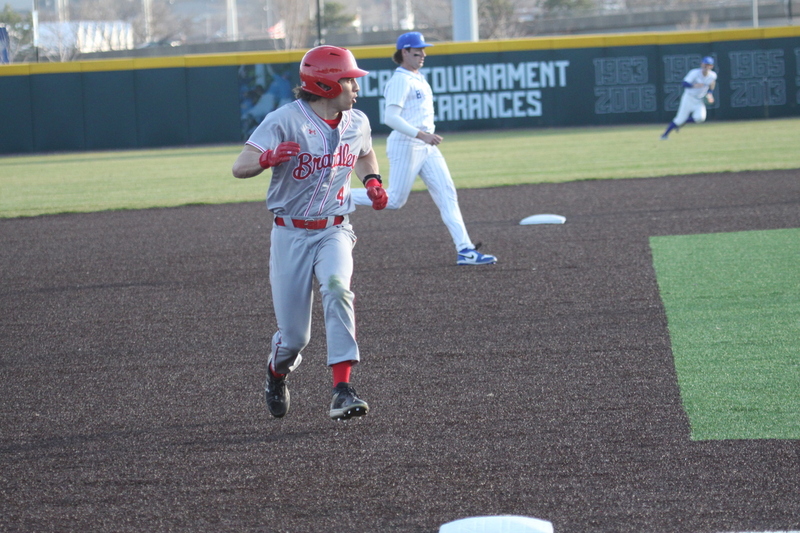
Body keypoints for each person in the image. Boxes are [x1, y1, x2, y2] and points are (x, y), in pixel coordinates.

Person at [231, 45, 388, 421]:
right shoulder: (284, 120)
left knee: (337, 288)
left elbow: (364, 152)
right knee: (295, 339)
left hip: (335, 228)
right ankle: (276, 371)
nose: (356, 86)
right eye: (349, 79)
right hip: (290, 235)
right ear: (326, 83)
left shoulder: (358, 121)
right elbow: (240, 166)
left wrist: (372, 180)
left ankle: (342, 389)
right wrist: (266, 159)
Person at [351, 31, 497, 266]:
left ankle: (465, 250)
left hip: (426, 146)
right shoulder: (400, 79)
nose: (423, 54)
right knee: (395, 200)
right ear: (404, 52)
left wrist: (425, 138)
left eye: (423, 49)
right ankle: (337, 195)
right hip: (407, 144)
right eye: (417, 50)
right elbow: (390, 117)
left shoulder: (416, 77)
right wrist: (422, 135)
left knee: (448, 195)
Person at [661, 56, 717, 140]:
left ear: (711, 66)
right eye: (705, 64)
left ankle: (683, 123)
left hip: (699, 99)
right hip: (688, 98)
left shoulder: (713, 75)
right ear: (701, 64)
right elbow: (684, 83)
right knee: (679, 119)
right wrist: (694, 85)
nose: (706, 66)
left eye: (708, 65)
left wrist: (710, 94)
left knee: (700, 118)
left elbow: (712, 84)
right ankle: (664, 135)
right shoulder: (694, 73)